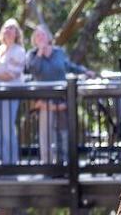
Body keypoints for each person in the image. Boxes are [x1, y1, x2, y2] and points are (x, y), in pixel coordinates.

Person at [26, 24, 94, 164]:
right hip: (44, 102)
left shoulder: (59, 52)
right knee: (46, 135)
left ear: (48, 36)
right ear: (34, 39)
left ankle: (64, 164)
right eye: (37, 36)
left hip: (62, 99)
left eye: (43, 35)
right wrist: (40, 52)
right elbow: (34, 70)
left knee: (63, 133)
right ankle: (48, 165)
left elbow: (69, 66)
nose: (40, 37)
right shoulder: (32, 55)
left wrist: (85, 71)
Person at [0, 20, 26, 165]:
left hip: (10, 94)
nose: (8, 31)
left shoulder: (19, 51)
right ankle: (3, 161)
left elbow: (11, 75)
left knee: (7, 127)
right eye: (6, 28)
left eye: (12, 29)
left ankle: (11, 163)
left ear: (16, 33)